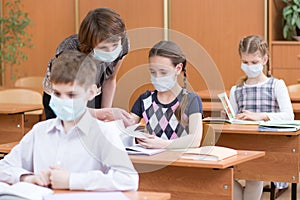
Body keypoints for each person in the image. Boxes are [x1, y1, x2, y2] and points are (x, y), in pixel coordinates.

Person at [0, 51, 138, 191]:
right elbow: (3, 168)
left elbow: (128, 179)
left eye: (71, 94)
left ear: (91, 93)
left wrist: (72, 180)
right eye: (57, 94)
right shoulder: (39, 131)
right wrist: (29, 178)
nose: (63, 100)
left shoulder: (104, 133)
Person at [43, 8, 134, 126]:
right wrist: (103, 114)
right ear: (90, 45)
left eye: (114, 45)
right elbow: (69, 104)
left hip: (93, 90)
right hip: (64, 96)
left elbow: (110, 79)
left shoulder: (122, 44)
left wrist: (106, 117)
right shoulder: (69, 51)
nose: (111, 51)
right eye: (103, 48)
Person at [230, 35, 294, 200]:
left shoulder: (276, 85)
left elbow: (289, 116)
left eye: (254, 62)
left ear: (264, 60)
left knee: (254, 174)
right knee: (224, 177)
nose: (249, 66)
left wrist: (262, 116)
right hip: (242, 146)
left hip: (267, 147)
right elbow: (232, 121)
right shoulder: (236, 90)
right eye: (245, 62)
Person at [130, 40, 203, 149]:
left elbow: (195, 139)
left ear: (178, 69)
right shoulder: (144, 99)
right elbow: (127, 129)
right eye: (153, 72)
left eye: (163, 72)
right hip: (152, 161)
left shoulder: (191, 100)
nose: (157, 77)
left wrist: (163, 145)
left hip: (180, 162)